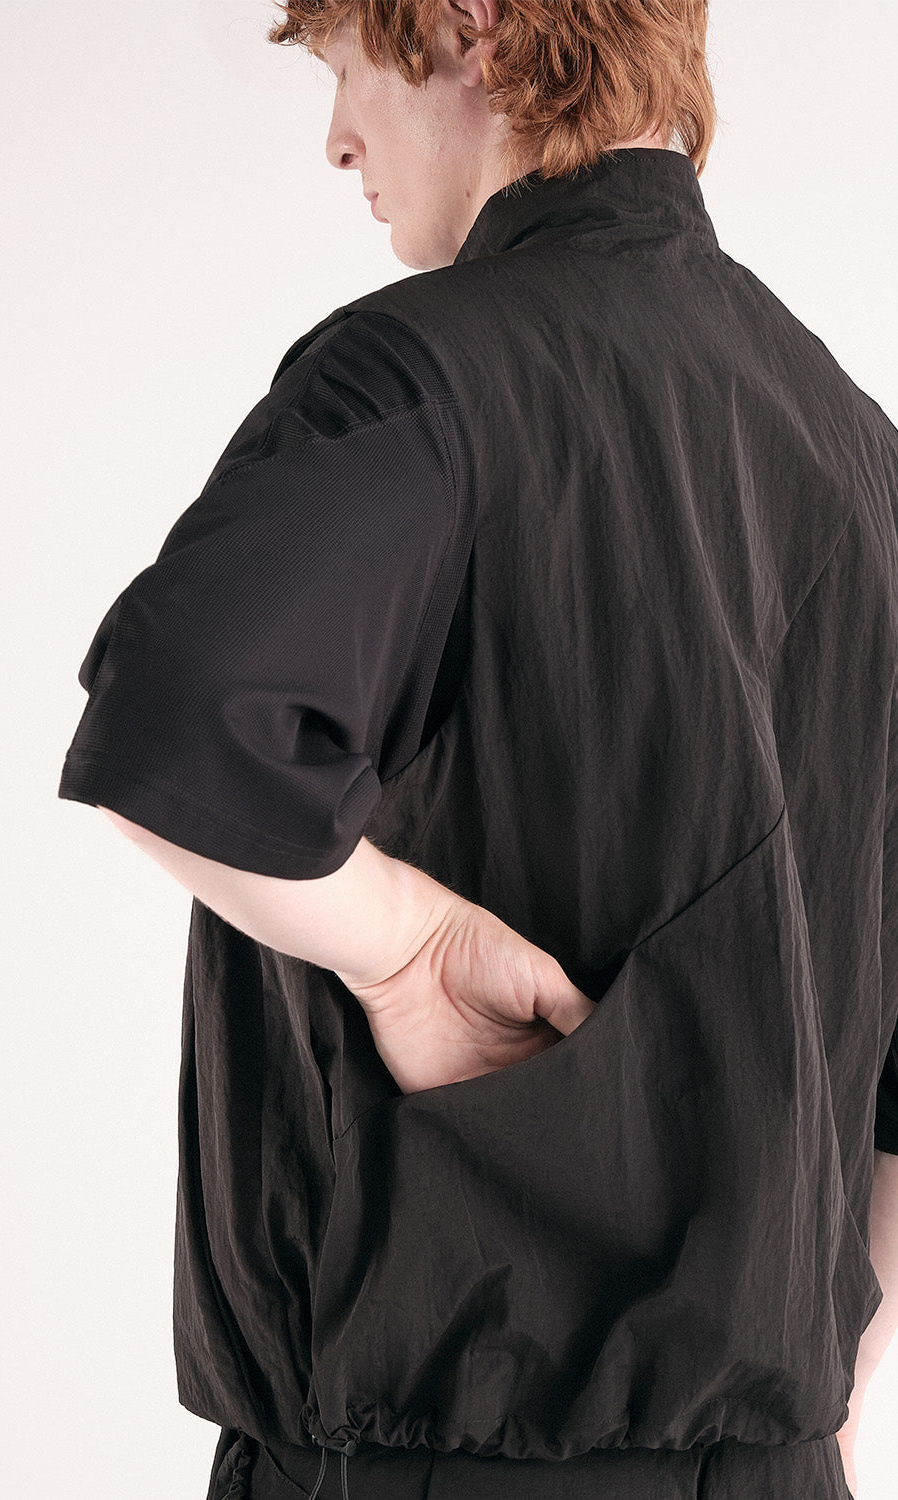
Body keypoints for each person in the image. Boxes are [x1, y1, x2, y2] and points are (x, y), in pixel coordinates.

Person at [57, 1, 898, 1495]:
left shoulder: (418, 376)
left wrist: (407, 950)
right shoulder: (859, 451)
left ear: (471, 28)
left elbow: (181, 714)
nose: (338, 141)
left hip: (432, 1454)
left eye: (343, 67)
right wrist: (836, 1380)